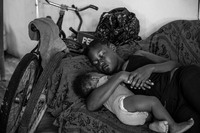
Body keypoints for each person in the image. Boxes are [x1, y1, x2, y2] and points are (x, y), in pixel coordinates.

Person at [84, 39, 200, 133]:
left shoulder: (138, 54)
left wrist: (150, 68)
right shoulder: (112, 82)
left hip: (180, 79)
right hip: (173, 107)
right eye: (96, 63)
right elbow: (91, 105)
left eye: (102, 55)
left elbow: (175, 64)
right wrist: (121, 75)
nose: (101, 62)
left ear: (112, 48)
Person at [75, 71, 194, 133]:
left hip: (124, 115)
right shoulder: (105, 79)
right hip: (124, 103)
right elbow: (128, 78)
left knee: (150, 112)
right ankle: (174, 126)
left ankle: (154, 125)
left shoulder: (100, 96)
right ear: (94, 77)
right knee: (153, 102)